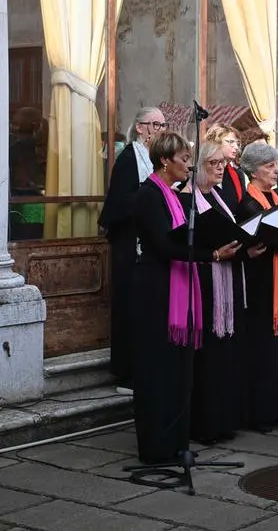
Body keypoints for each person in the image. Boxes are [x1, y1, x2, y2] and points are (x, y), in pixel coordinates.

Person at [130, 132, 240, 464]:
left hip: (176, 282)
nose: (189, 166)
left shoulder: (173, 195)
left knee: (177, 369)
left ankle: (175, 441)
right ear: (165, 161)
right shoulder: (148, 195)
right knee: (157, 368)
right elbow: (164, 246)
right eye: (184, 160)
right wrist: (213, 255)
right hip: (156, 287)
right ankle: (156, 446)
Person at [179, 142, 265, 444]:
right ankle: (205, 424)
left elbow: (229, 239)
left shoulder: (217, 196)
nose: (220, 168)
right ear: (198, 165)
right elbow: (185, 246)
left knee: (226, 354)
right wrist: (215, 253)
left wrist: (245, 253)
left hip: (227, 281)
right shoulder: (186, 198)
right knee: (207, 358)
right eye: (213, 163)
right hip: (203, 286)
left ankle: (224, 421)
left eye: (222, 163)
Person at [99, 106, 167, 392]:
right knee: (128, 306)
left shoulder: (154, 160)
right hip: (129, 243)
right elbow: (119, 202)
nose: (160, 130)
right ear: (140, 128)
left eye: (163, 125)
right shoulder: (129, 158)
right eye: (155, 125)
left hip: (146, 243)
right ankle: (125, 372)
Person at [236, 143, 278, 432]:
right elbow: (262, 238)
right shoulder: (247, 203)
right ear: (254, 170)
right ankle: (262, 412)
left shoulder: (277, 198)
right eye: (270, 166)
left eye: (276, 165)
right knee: (264, 348)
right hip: (263, 282)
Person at [204, 124, 245, 212]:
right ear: (215, 142)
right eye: (230, 142)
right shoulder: (203, 171)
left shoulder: (238, 175)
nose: (236, 147)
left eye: (237, 143)